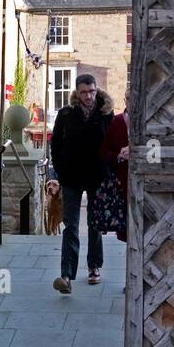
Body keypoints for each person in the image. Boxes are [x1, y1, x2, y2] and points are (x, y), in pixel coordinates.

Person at [47, 74, 113, 293]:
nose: (89, 96)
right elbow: (55, 144)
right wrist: (61, 169)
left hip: (96, 177)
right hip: (72, 178)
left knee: (95, 224)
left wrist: (108, 171)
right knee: (71, 226)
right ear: (77, 92)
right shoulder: (66, 115)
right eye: (84, 92)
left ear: (97, 90)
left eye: (92, 91)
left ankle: (94, 266)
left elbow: (112, 143)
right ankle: (66, 276)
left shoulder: (106, 114)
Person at [101, 85, 129, 245]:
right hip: (121, 182)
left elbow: (156, 151)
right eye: (129, 99)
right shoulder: (116, 122)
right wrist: (118, 156)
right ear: (125, 100)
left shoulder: (150, 121)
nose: (132, 102)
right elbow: (104, 152)